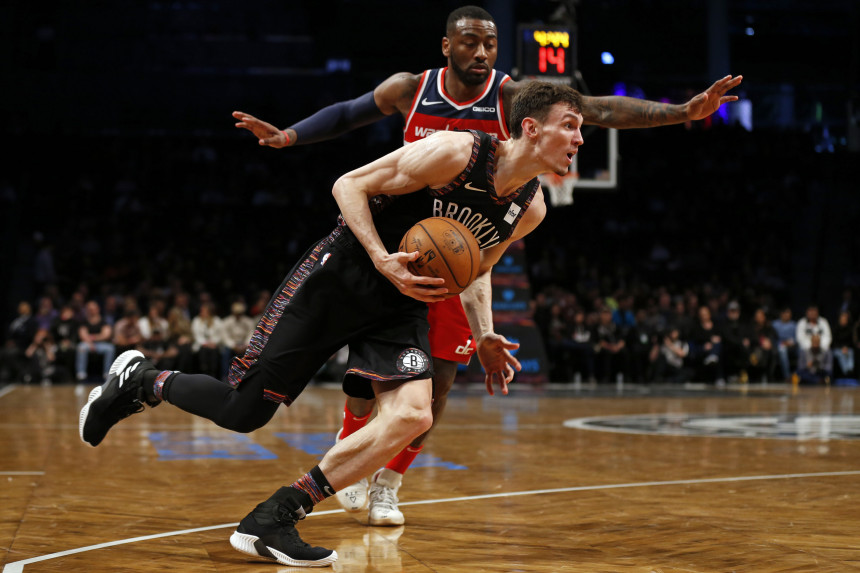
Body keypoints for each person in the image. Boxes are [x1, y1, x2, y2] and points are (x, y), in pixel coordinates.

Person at [233, 4, 743, 524]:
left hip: (466, 250)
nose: (481, 53)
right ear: (446, 45)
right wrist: (289, 135)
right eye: (470, 42)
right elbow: (348, 113)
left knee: (440, 381)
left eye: (490, 44)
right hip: (407, 241)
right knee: (366, 379)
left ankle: (390, 482)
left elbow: (596, 109)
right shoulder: (411, 88)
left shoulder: (510, 97)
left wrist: (681, 112)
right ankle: (352, 437)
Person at [79, 80, 582, 567]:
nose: (580, 139)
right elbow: (349, 184)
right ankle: (144, 381)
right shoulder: (457, 153)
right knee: (242, 411)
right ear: (531, 128)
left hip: (400, 305)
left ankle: (275, 516)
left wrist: (484, 331)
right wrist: (382, 258)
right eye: (570, 125)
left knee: (413, 416)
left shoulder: (530, 207)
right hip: (344, 275)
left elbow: (476, 269)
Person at [75, 300, 114, 382]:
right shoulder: (84, 321)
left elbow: (106, 335)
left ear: (97, 309)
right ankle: (81, 373)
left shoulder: (104, 320)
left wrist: (93, 337)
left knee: (110, 348)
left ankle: (107, 373)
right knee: (81, 347)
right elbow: (83, 335)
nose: (91, 311)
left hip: (102, 344)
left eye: (93, 309)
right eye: (89, 309)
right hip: (87, 344)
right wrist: (90, 342)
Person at [772, 306, 798, 381]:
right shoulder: (775, 324)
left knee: (802, 350)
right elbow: (773, 338)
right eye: (785, 313)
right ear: (781, 314)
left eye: (788, 313)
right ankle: (787, 376)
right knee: (782, 350)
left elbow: (797, 338)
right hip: (780, 345)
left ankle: (799, 375)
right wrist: (781, 343)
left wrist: (791, 342)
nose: (786, 315)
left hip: (792, 346)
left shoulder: (794, 325)